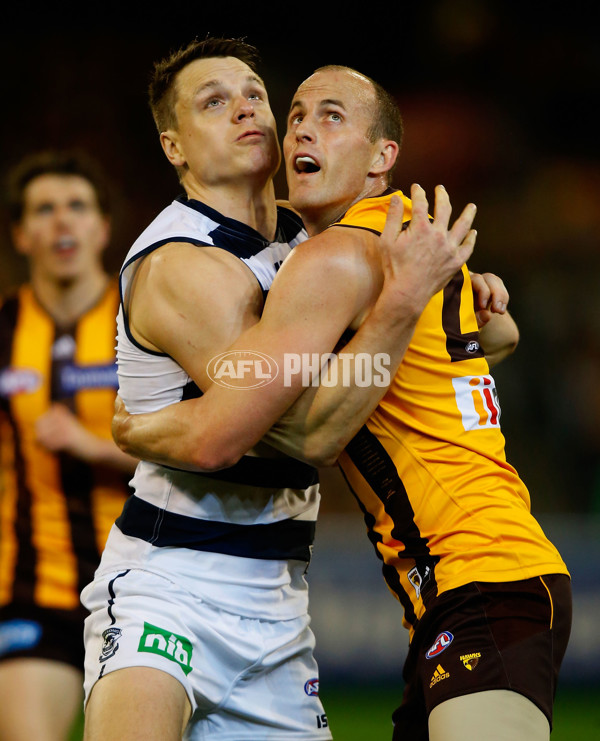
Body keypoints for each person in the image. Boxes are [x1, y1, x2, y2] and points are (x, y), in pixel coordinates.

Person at [113, 63, 571, 741]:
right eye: (298, 113)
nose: (302, 125)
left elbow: (298, 432)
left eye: (332, 116)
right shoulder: (403, 235)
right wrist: (465, 296)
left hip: (479, 577)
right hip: (484, 580)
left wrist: (145, 428)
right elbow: (499, 335)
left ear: (383, 156)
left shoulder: (334, 259)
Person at [0, 150, 137, 741]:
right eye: (45, 209)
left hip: (144, 584)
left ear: (102, 228)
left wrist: (94, 445)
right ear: (21, 233)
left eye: (77, 207)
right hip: (35, 588)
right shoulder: (3, 331)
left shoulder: (144, 323)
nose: (62, 222)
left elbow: (210, 447)